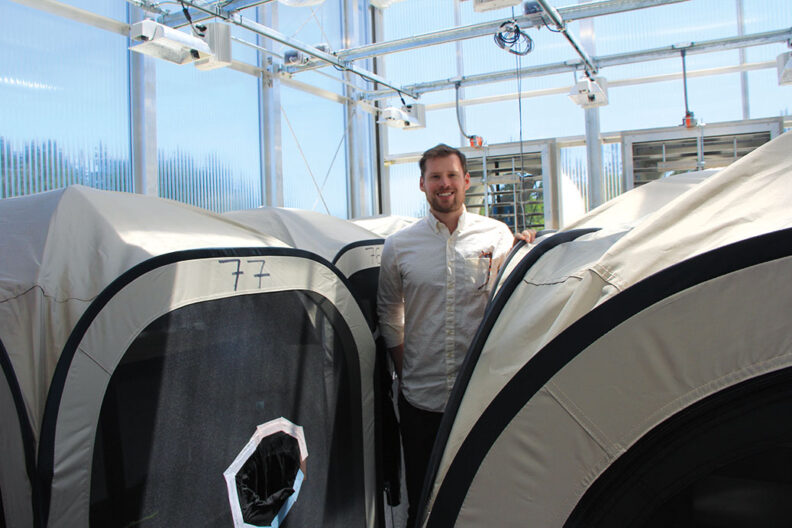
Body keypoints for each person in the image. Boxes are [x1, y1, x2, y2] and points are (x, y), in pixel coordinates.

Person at [377, 143, 535, 527]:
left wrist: (527, 251)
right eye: (435, 177)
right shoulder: (399, 246)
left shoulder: (497, 236)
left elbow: (514, 295)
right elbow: (388, 311)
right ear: (422, 184)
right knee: (423, 500)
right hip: (420, 400)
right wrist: (405, 365)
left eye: (451, 175)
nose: (443, 184)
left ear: (466, 180)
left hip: (480, 395)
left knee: (483, 497)